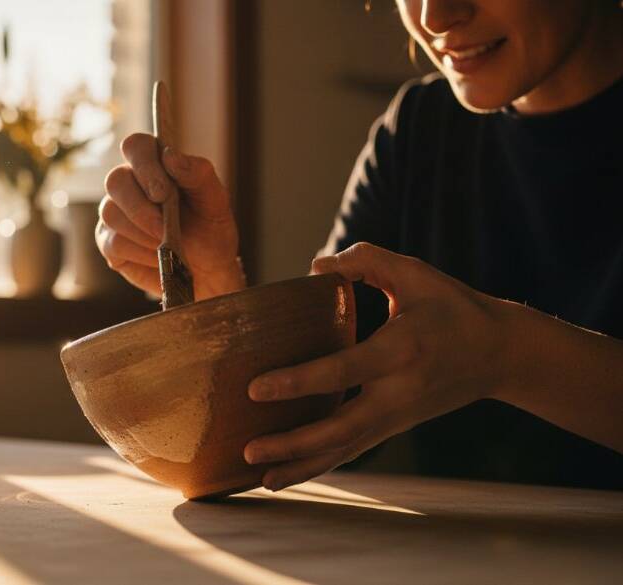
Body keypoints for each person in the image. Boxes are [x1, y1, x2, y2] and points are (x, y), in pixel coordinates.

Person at [96, 0, 623, 491]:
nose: (434, 16)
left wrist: (505, 354)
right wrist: (215, 289)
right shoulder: (419, 130)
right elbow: (315, 421)